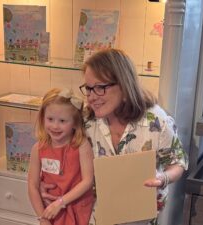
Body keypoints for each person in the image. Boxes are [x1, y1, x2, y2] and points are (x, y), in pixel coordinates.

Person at [41, 48, 188, 225]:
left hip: (139, 219)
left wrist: (163, 179)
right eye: (88, 89)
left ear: (124, 85)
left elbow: (177, 162)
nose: (91, 97)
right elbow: (57, 153)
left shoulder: (157, 122)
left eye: (100, 88)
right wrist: (47, 183)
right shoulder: (86, 122)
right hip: (93, 217)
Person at [28, 88, 95, 225]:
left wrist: (61, 202)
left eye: (63, 121)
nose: (55, 126)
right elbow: (32, 185)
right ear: (43, 118)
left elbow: (88, 181)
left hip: (78, 209)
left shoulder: (81, 146)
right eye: (50, 119)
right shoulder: (38, 149)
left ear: (75, 123)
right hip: (51, 212)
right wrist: (42, 217)